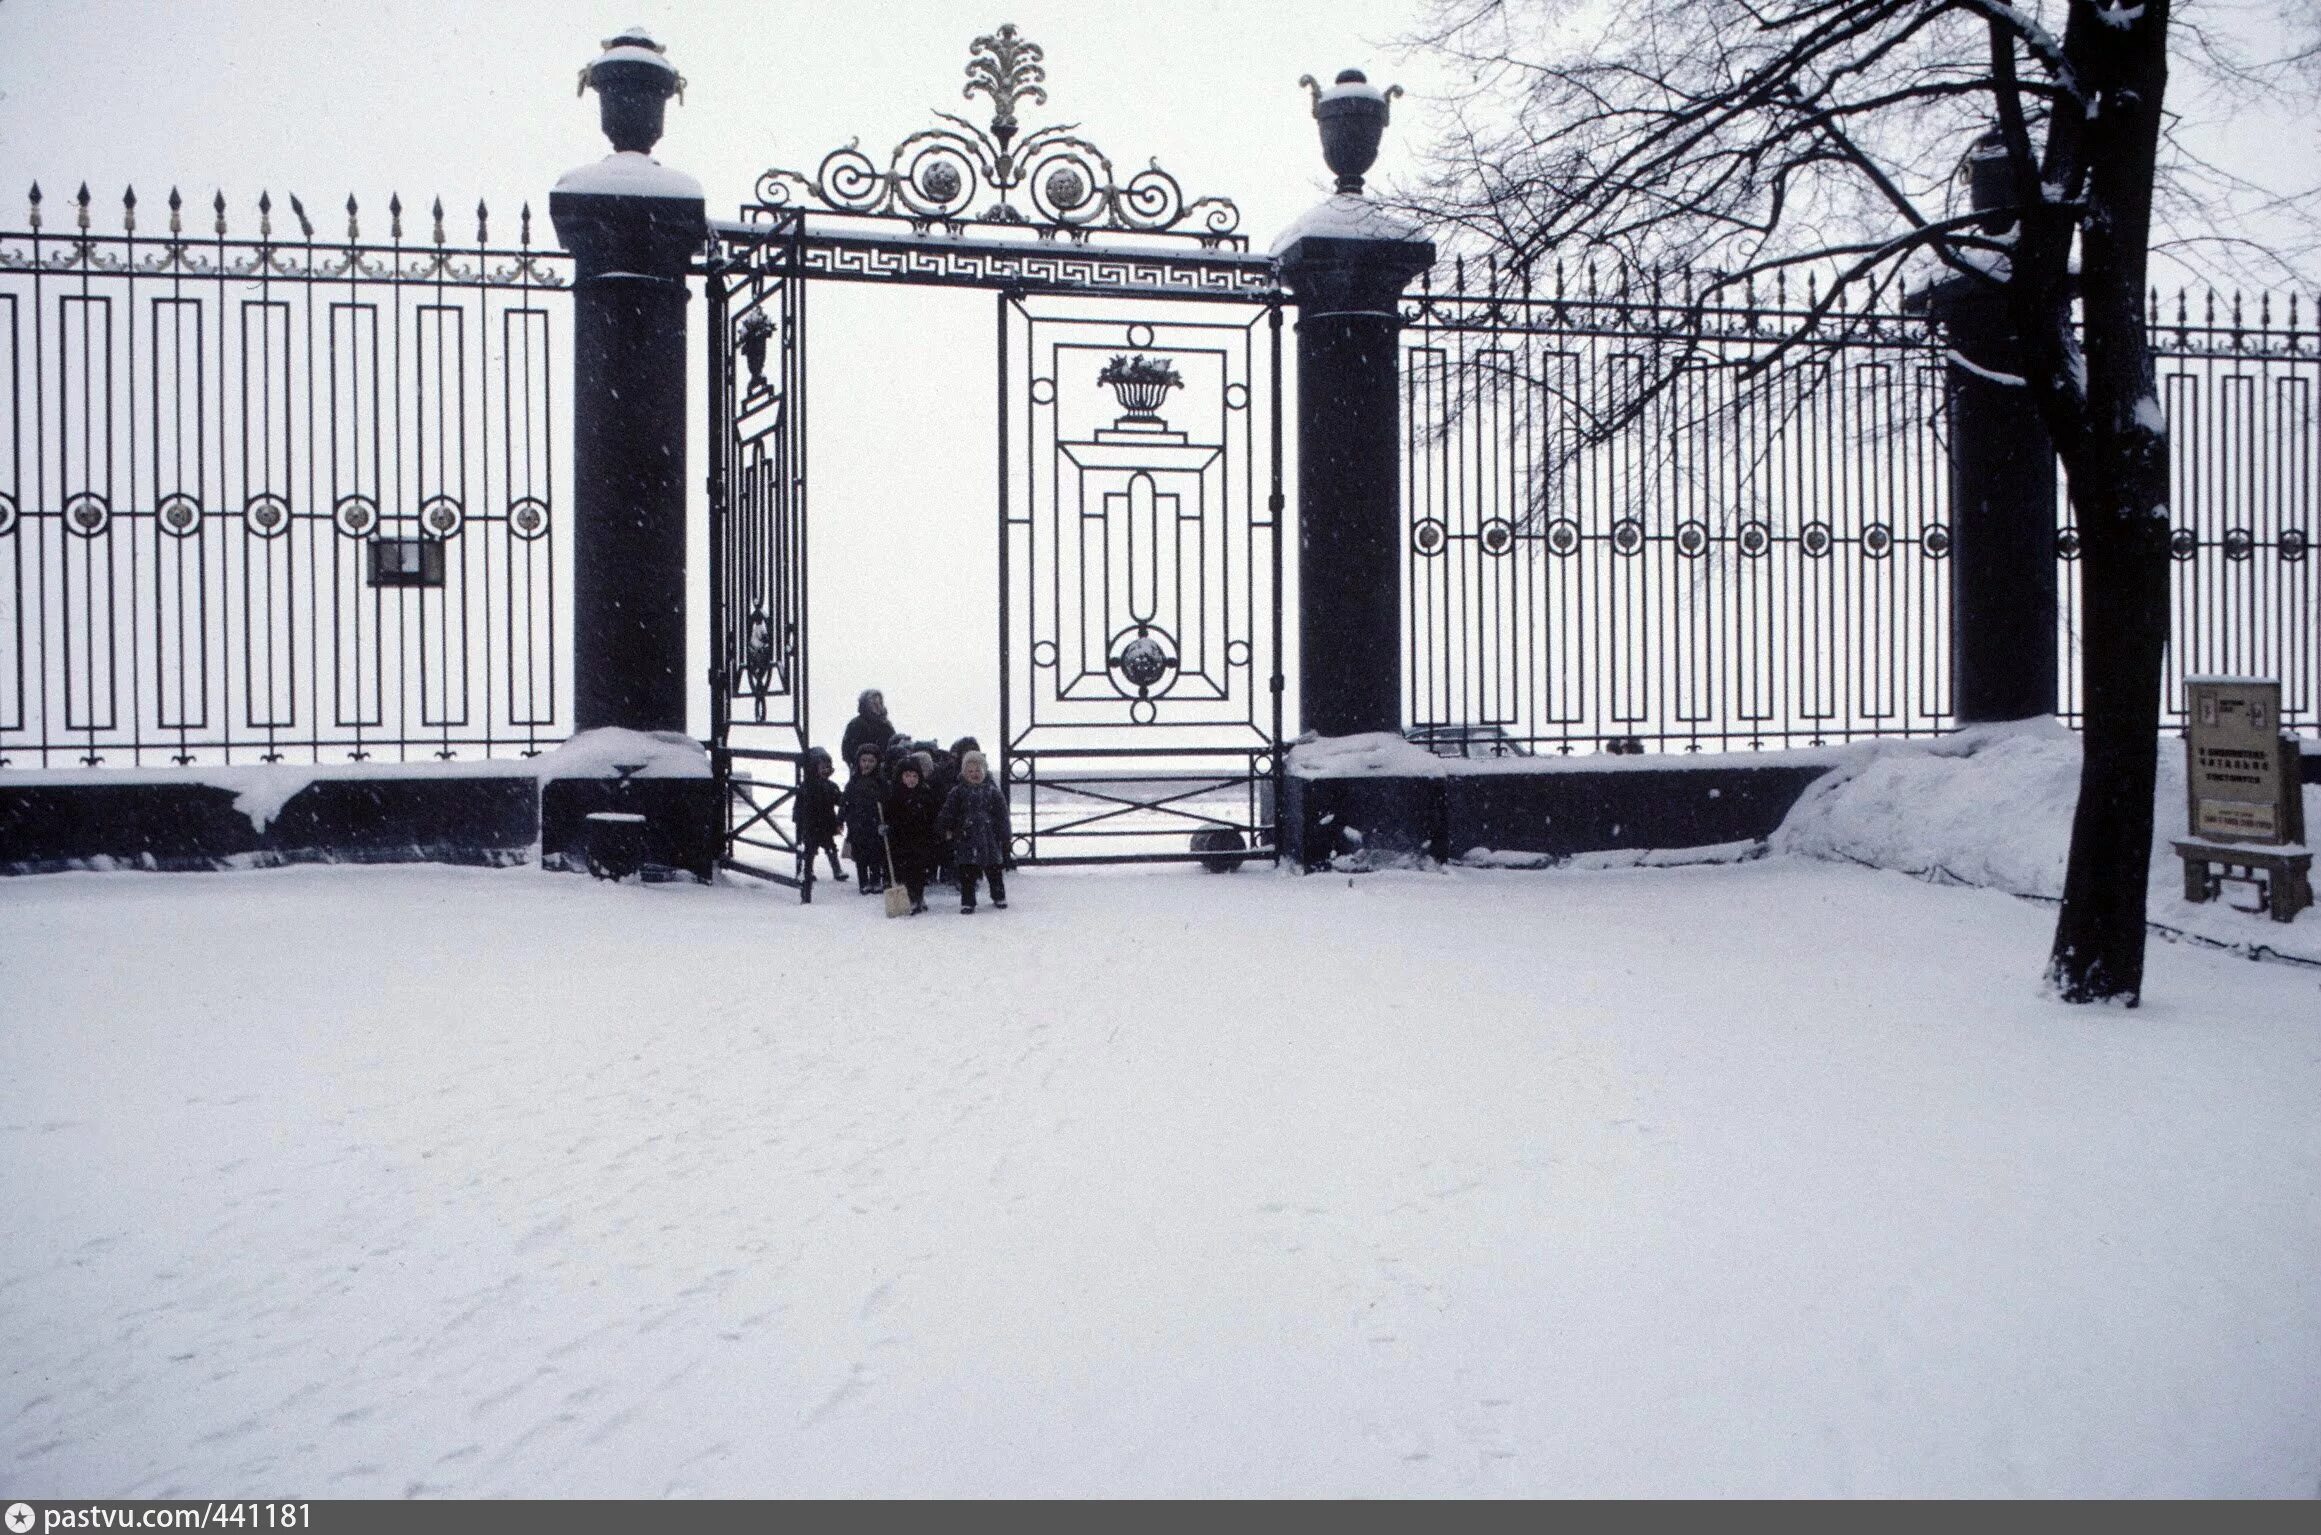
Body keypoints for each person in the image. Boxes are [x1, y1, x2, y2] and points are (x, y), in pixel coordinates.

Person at [938, 748, 1014, 913]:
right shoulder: (957, 792)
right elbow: (948, 812)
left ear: (985, 771)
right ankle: (968, 901)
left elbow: (1002, 815)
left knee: (994, 870)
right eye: (970, 771)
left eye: (978, 770)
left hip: (989, 838)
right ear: (963, 772)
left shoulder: (993, 792)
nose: (974, 774)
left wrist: (1006, 836)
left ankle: (998, 895)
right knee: (967, 872)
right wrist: (946, 828)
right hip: (966, 837)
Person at [882, 754, 944, 915]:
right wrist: (885, 827)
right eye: (907, 776)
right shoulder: (894, 795)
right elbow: (888, 816)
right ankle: (909, 897)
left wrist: (936, 832)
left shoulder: (925, 794)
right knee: (904, 871)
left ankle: (919, 896)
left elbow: (933, 816)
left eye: (915, 776)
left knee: (920, 871)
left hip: (921, 840)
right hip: (900, 841)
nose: (911, 779)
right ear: (900, 776)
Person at [791, 746, 846, 883]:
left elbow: (840, 800)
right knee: (810, 850)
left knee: (831, 847)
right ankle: (808, 871)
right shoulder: (807, 787)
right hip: (811, 825)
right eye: (822, 767)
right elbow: (799, 805)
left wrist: (841, 815)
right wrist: (799, 820)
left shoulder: (831, 786)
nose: (825, 771)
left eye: (828, 767)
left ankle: (837, 869)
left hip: (827, 824)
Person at [842, 742, 889, 894]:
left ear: (877, 763)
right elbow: (845, 802)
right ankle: (863, 882)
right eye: (864, 760)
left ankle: (876, 880)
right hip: (857, 825)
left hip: (875, 825)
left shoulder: (881, 782)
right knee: (861, 856)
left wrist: (886, 821)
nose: (867, 764)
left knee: (875, 854)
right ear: (858, 762)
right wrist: (840, 819)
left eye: (871, 761)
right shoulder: (854, 781)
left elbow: (887, 802)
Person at [840, 689, 895, 768]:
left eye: (879, 703)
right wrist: (857, 764)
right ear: (865, 705)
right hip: (862, 769)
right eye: (873, 703)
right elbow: (847, 749)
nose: (877, 706)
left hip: (883, 769)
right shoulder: (856, 724)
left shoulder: (886, 725)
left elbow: (893, 745)